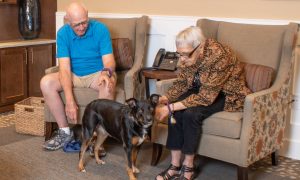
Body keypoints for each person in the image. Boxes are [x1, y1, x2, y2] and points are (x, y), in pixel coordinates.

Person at [155, 26, 251, 180]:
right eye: (179, 54)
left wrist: (170, 107)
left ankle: (188, 166)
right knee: (174, 111)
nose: (182, 59)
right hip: (200, 89)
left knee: (191, 114)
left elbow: (206, 96)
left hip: (224, 93)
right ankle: (174, 165)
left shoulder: (220, 55)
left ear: (199, 47)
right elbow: (182, 82)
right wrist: (165, 98)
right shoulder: (187, 54)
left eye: (185, 55)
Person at [40, 2, 117, 151]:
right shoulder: (62, 34)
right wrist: (70, 101)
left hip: (96, 73)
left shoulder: (100, 29)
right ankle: (64, 132)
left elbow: (109, 60)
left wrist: (106, 73)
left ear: (87, 16)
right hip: (73, 74)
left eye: (84, 22)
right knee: (46, 82)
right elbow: (64, 69)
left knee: (108, 83)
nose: (82, 27)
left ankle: (96, 137)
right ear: (68, 21)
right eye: (77, 25)